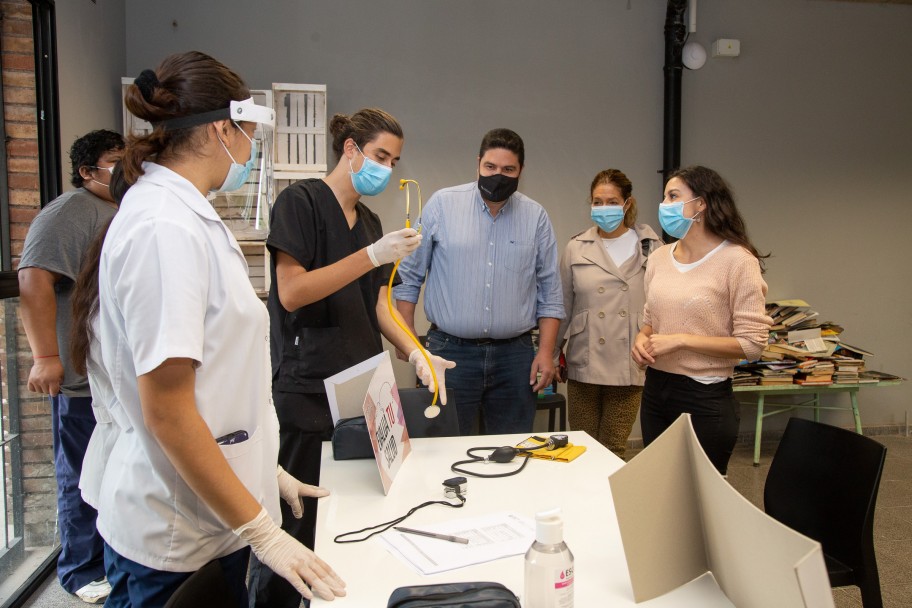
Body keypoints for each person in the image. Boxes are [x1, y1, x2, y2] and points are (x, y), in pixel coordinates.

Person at [72, 51, 346, 607]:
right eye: (249, 133)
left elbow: (214, 382)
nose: (250, 150)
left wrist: (260, 464)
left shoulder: (187, 214)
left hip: (211, 514)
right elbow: (168, 411)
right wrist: (264, 532)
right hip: (174, 531)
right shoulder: (162, 229)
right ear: (224, 126)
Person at [249, 108, 452, 608]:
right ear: (350, 148)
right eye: (380, 155)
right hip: (307, 386)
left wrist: (416, 352)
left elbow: (377, 305)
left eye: (395, 159)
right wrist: (372, 256)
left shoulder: (371, 223)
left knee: (350, 514)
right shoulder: (300, 204)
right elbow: (292, 293)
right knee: (296, 524)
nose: (386, 167)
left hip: (360, 387)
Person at [394, 128, 564, 435]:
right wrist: (408, 341)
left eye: (508, 169)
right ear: (478, 164)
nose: (498, 175)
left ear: (520, 171)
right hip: (449, 352)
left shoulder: (536, 217)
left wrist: (546, 353)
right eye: (490, 167)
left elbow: (550, 291)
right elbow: (409, 277)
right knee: (440, 450)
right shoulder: (442, 206)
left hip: (515, 358)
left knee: (511, 451)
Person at [18, 129, 124, 604]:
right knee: (81, 474)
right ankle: (80, 571)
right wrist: (46, 357)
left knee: (110, 474)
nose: (124, 170)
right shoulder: (69, 213)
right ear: (87, 171)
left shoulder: (122, 211)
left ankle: (108, 559)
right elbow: (34, 280)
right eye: (114, 162)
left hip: (117, 377)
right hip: (82, 382)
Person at [631, 165, 771, 475]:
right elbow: (651, 321)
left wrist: (681, 340)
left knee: (699, 500)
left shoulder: (737, 260)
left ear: (701, 203)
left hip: (704, 396)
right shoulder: (658, 258)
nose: (665, 204)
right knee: (660, 488)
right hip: (656, 390)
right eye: (665, 196)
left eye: (674, 196)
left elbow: (752, 345)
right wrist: (642, 339)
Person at [557, 169, 662, 458]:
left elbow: (662, 305)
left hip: (630, 360)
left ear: (627, 203)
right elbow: (562, 306)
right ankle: (581, 502)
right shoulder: (576, 247)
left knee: (614, 446)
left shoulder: (652, 248)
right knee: (581, 446)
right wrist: (553, 354)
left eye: (612, 201)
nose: (604, 208)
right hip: (585, 358)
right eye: (597, 202)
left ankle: (609, 503)